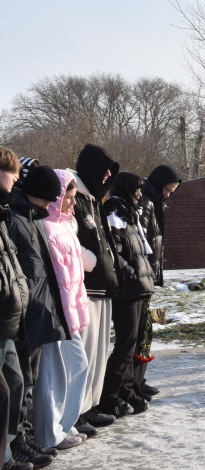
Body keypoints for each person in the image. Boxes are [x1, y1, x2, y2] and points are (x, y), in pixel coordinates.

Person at [7, 165, 83, 455]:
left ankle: (25, 439)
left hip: (38, 307)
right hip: (24, 310)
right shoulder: (16, 217)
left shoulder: (31, 216)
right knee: (22, 381)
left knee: (30, 379)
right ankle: (20, 442)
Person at [36, 170, 91, 449]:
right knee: (55, 374)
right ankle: (52, 432)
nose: (73, 204)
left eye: (73, 198)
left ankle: (63, 426)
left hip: (68, 313)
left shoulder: (64, 226)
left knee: (76, 368)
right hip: (57, 314)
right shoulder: (46, 227)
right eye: (68, 198)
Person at [70, 144, 121, 425]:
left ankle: (91, 404)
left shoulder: (93, 201)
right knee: (86, 355)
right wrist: (92, 261)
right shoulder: (75, 199)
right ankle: (77, 412)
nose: (106, 178)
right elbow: (71, 242)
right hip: (87, 290)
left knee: (99, 354)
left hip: (104, 289)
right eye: (103, 172)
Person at [100, 173, 155, 415]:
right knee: (125, 344)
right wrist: (133, 274)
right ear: (125, 190)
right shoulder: (114, 213)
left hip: (139, 287)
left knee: (132, 345)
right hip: (128, 290)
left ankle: (126, 387)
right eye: (136, 190)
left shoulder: (128, 214)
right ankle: (110, 393)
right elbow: (115, 253)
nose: (140, 195)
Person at [0, 149, 36, 470]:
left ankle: (8, 452)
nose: (16, 178)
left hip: (8, 320)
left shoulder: (4, 212)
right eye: (10, 172)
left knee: (14, 382)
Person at [134, 165, 181, 400]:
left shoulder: (154, 200)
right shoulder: (146, 202)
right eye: (168, 189)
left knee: (145, 330)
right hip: (140, 276)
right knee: (140, 331)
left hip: (147, 274)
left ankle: (138, 380)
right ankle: (132, 382)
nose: (168, 195)